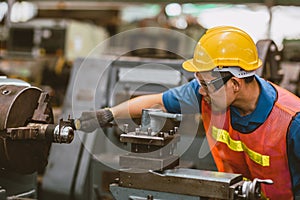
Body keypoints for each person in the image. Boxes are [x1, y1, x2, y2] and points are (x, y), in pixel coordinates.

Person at [77, 26, 300, 199]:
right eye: (198, 81)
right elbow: (159, 102)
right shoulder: (206, 92)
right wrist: (108, 114)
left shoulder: (292, 121)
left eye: (206, 83)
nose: (200, 90)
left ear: (235, 84)